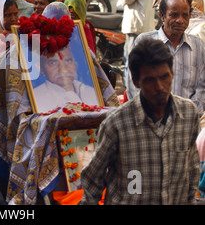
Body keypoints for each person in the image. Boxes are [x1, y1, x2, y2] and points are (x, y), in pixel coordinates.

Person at [80, 38, 200, 205]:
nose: (160, 87)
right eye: (150, 80)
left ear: (172, 73)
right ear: (136, 81)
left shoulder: (188, 114)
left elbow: (192, 170)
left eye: (164, 77)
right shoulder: (117, 123)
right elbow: (93, 180)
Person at [125, 0, 205, 117]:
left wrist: (188, 114)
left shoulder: (198, 45)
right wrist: (152, 114)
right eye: (174, 15)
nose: (180, 20)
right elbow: (132, 83)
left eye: (185, 15)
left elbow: (202, 87)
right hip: (149, 120)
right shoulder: (144, 42)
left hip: (186, 122)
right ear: (162, 16)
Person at [34, 45, 100, 112]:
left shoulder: (92, 92)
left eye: (68, 61)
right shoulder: (36, 98)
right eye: (52, 63)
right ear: (41, 68)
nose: (63, 70)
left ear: (75, 63)